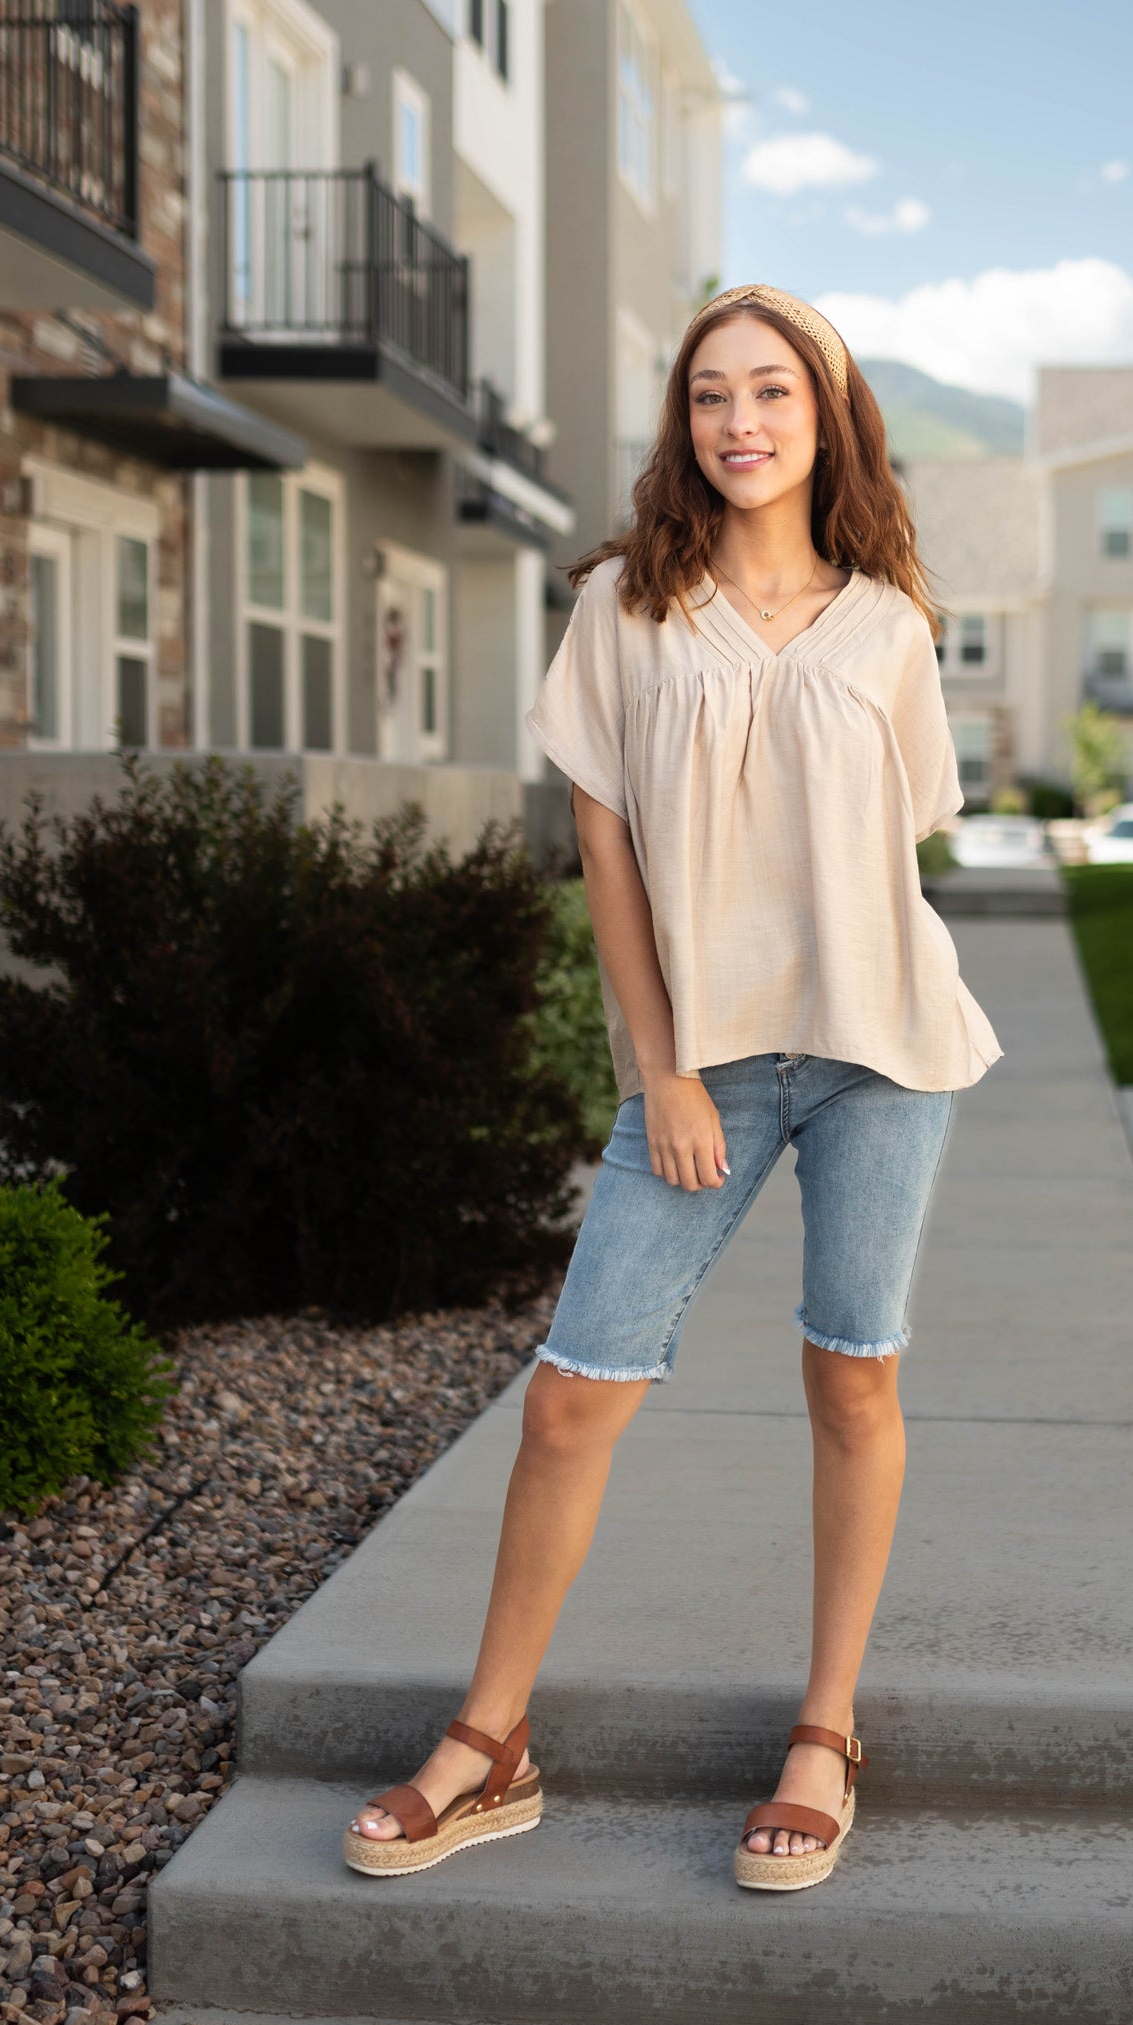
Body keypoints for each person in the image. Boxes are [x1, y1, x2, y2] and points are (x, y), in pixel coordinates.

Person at [343, 283, 1002, 1894]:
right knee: (576, 1390)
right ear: (683, 422)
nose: (742, 422)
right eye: (713, 395)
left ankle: (825, 1730)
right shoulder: (624, 608)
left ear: (826, 415)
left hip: (882, 1055)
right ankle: (494, 1737)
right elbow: (606, 844)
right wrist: (669, 1066)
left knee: (852, 1380)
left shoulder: (893, 625)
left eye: (774, 391)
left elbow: (898, 850)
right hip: (702, 1065)